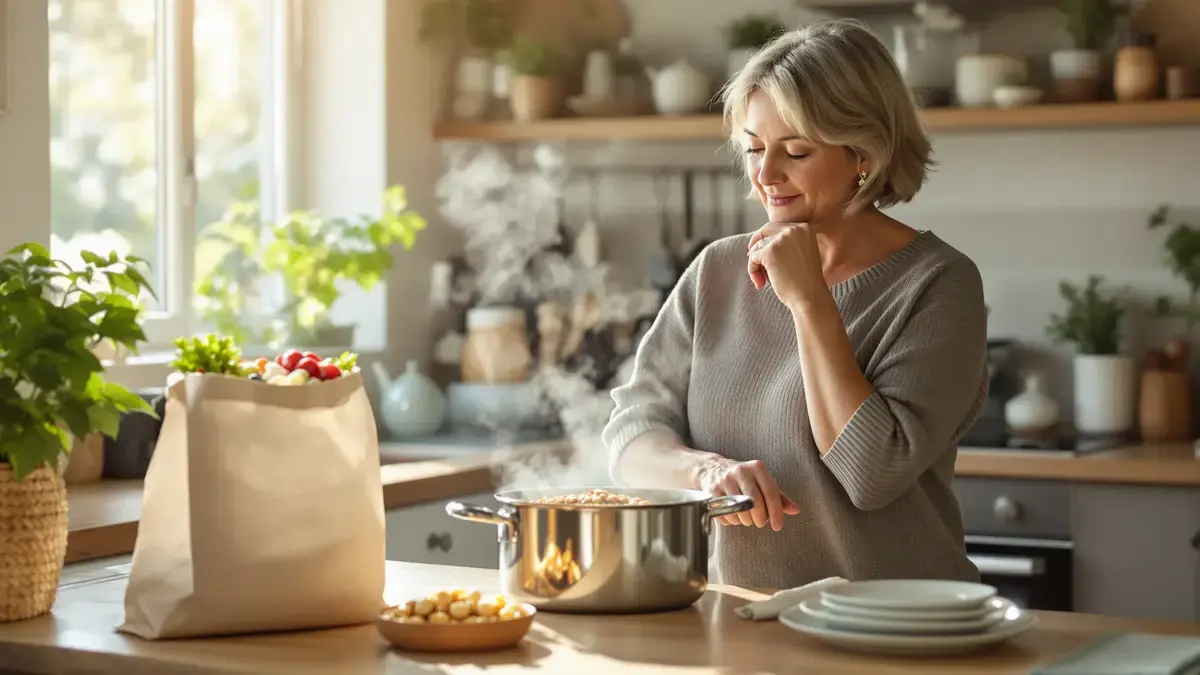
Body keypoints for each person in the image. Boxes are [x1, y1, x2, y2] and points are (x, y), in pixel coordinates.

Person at [602, 19, 988, 590]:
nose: (765, 175)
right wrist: (704, 472)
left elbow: (872, 473)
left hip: (896, 634)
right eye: (754, 148)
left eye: (797, 151)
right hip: (739, 625)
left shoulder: (938, 284)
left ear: (864, 152)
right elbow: (631, 437)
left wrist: (810, 302)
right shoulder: (718, 271)